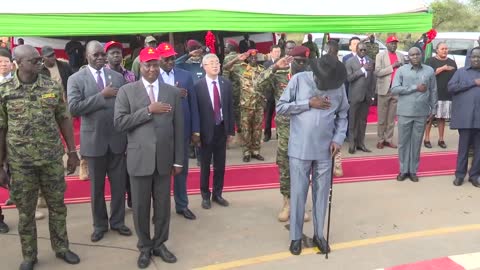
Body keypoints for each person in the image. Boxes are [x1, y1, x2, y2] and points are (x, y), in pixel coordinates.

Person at [0, 45, 80, 270]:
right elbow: (1, 129)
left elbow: (64, 119)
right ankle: (29, 255)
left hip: (51, 159)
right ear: (18, 62)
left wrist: (72, 152)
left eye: (40, 60)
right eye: (34, 60)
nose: (40, 63)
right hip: (21, 163)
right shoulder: (4, 90)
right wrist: (0, 164)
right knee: (25, 212)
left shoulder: (51, 86)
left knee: (57, 207)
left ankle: (62, 248)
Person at [114, 47, 183, 269]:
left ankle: (160, 244)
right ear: (140, 67)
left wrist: (178, 160)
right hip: (139, 159)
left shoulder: (171, 91)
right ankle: (144, 247)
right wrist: (148, 110)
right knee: (141, 207)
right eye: (147, 65)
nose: (152, 69)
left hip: (164, 160)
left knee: (163, 206)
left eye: (155, 64)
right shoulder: (127, 91)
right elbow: (120, 123)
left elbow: (179, 128)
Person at [276, 53, 349, 256]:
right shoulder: (299, 80)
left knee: (321, 194)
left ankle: (319, 234)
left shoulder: (338, 85)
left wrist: (338, 139)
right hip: (300, 148)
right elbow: (280, 107)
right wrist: (308, 103)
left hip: (326, 150)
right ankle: (296, 237)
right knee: (298, 193)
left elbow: (343, 114)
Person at [67, 41, 131, 242]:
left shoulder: (118, 77)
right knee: (96, 189)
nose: (101, 58)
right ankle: (100, 225)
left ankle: (118, 222)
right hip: (94, 142)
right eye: (96, 55)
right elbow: (74, 108)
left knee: (119, 186)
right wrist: (101, 96)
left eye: (103, 54)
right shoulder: (76, 79)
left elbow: (125, 106)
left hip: (117, 140)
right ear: (87, 56)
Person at [256, 43, 312, 222]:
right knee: (285, 167)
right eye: (298, 61)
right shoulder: (280, 75)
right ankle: (287, 203)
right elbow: (257, 84)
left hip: (306, 130)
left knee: (303, 169)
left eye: (304, 61)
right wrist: (274, 67)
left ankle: (300, 204)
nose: (301, 65)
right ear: (290, 60)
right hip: (286, 131)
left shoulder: (312, 78)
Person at [157, 42, 199, 220]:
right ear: (158, 59)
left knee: (181, 170)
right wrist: (173, 93)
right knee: (160, 173)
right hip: (160, 132)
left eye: (172, 57)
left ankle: (182, 205)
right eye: (166, 58)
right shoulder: (150, 76)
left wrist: (195, 131)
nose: (170, 61)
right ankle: (160, 209)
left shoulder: (186, 76)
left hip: (182, 130)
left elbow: (194, 105)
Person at [194, 53, 235, 209]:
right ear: (204, 67)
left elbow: (230, 108)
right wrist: (195, 133)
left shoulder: (226, 84)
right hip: (205, 132)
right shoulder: (197, 86)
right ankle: (205, 195)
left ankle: (218, 194)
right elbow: (195, 111)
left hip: (221, 129)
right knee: (205, 165)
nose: (215, 65)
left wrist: (230, 130)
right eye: (211, 63)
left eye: (217, 62)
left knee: (220, 165)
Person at [391, 47, 437, 182]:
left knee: (416, 143)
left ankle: (413, 171)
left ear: (421, 55)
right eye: (412, 55)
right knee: (403, 143)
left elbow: (433, 90)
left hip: (421, 112)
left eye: (417, 54)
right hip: (405, 112)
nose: (415, 56)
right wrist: (414, 88)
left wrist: (433, 109)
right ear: (408, 57)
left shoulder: (429, 70)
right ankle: (403, 170)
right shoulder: (401, 70)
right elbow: (394, 89)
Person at [104, 40, 136, 208]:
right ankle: (119, 201)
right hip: (110, 127)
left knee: (131, 163)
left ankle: (132, 197)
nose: (116, 55)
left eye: (118, 52)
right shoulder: (103, 76)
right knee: (117, 169)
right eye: (112, 52)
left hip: (129, 125)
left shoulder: (130, 75)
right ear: (106, 56)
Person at [224, 49, 265, 162]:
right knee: (246, 130)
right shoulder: (241, 68)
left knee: (257, 130)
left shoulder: (262, 70)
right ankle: (246, 152)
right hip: (245, 106)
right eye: (251, 57)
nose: (253, 59)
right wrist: (237, 59)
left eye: (255, 57)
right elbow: (226, 68)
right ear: (247, 58)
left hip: (258, 105)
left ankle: (256, 151)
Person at [447, 46, 480, 187]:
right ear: (469, 58)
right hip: (465, 118)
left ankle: (474, 175)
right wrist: (473, 83)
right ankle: (460, 175)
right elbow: (451, 88)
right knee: (464, 148)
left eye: (479, 57)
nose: (476, 59)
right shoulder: (461, 72)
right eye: (474, 57)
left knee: (479, 150)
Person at [424, 42, 457, 149]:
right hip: (433, 94)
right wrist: (442, 69)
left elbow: (456, 77)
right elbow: (426, 76)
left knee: (442, 118)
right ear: (437, 50)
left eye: (446, 49)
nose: (445, 50)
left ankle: (441, 139)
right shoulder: (430, 61)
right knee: (430, 117)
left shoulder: (452, 62)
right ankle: (427, 138)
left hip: (446, 94)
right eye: (442, 48)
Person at [375, 36, 404, 149]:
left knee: (391, 118)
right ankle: (380, 139)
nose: (394, 45)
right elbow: (377, 72)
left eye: (395, 43)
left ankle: (388, 139)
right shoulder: (380, 56)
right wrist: (392, 66)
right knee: (382, 118)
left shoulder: (400, 56)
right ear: (387, 44)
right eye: (391, 43)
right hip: (384, 89)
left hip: (396, 89)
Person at [345, 42, 374, 154]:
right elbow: (349, 78)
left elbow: (372, 79)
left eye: (364, 50)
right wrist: (362, 70)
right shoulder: (350, 62)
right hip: (355, 96)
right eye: (361, 50)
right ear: (356, 50)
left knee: (363, 121)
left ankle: (361, 143)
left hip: (366, 96)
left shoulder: (370, 61)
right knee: (353, 121)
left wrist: (371, 95)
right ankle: (352, 144)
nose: (363, 52)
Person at [0, 48, 13, 234]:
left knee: (16, 174)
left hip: (15, 138)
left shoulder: (18, 81)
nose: (3, 64)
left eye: (5, 61)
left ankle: (23, 204)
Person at [222, 39, 242, 134]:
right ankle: (241, 129)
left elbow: (225, 77)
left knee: (233, 110)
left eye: (226, 46)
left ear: (230, 47)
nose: (225, 48)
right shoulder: (240, 56)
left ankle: (234, 131)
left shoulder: (228, 58)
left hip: (233, 89)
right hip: (243, 88)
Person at [263, 45, 282, 142]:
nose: (277, 53)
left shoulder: (284, 63)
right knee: (268, 115)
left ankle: (280, 134)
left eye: (279, 51)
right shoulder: (266, 64)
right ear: (271, 53)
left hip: (280, 93)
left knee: (280, 115)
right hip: (270, 93)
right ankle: (267, 134)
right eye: (275, 51)